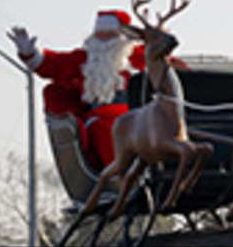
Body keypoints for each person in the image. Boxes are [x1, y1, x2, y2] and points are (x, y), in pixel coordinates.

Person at [8, 11, 148, 171]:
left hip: (138, 114)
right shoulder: (83, 59)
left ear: (123, 37)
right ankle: (120, 174)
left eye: (109, 34)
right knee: (103, 128)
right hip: (99, 114)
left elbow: (167, 66)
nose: (103, 39)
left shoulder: (139, 57)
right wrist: (30, 54)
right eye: (99, 34)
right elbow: (53, 66)